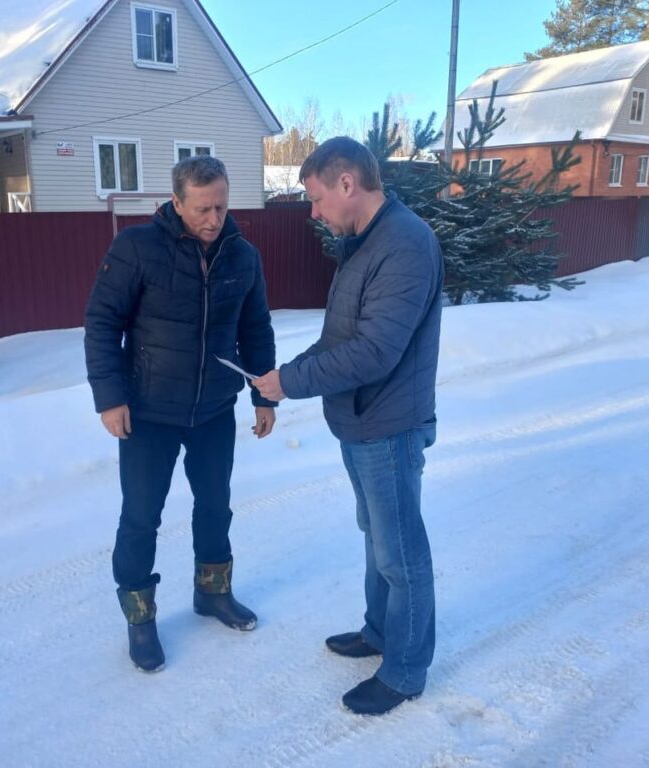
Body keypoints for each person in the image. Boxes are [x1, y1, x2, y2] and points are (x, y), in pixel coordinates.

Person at [253, 137, 444, 716]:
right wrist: (285, 375)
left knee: (401, 552)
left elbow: (374, 352)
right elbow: (340, 338)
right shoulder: (362, 244)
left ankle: (405, 672)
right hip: (360, 422)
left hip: (390, 425)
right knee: (377, 537)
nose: (313, 212)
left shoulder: (405, 244)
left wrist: (292, 382)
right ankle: (380, 632)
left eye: (315, 198)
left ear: (347, 183)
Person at [85, 156, 277, 673]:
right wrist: (110, 397)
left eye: (221, 207)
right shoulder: (137, 248)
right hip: (147, 412)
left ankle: (212, 592)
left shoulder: (243, 256)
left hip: (214, 409)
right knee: (141, 515)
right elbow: (102, 323)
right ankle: (140, 617)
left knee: (215, 505)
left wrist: (264, 395)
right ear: (176, 202)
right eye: (202, 209)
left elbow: (255, 327)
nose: (214, 219)